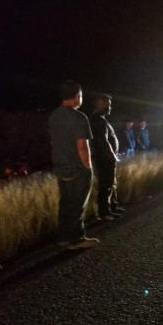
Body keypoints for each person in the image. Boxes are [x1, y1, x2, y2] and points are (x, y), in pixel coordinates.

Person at [47, 80, 99, 249]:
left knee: (66, 203)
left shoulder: (54, 116)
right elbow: (82, 146)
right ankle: (77, 239)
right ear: (77, 96)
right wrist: (88, 168)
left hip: (60, 166)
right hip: (77, 167)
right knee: (77, 204)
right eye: (81, 96)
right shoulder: (79, 117)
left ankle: (63, 237)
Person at [89, 93, 126, 221]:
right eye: (108, 105)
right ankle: (104, 213)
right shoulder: (97, 120)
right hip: (104, 159)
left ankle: (113, 207)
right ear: (101, 104)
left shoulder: (101, 119)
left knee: (111, 183)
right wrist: (112, 156)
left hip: (107, 157)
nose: (110, 107)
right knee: (106, 185)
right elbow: (103, 141)